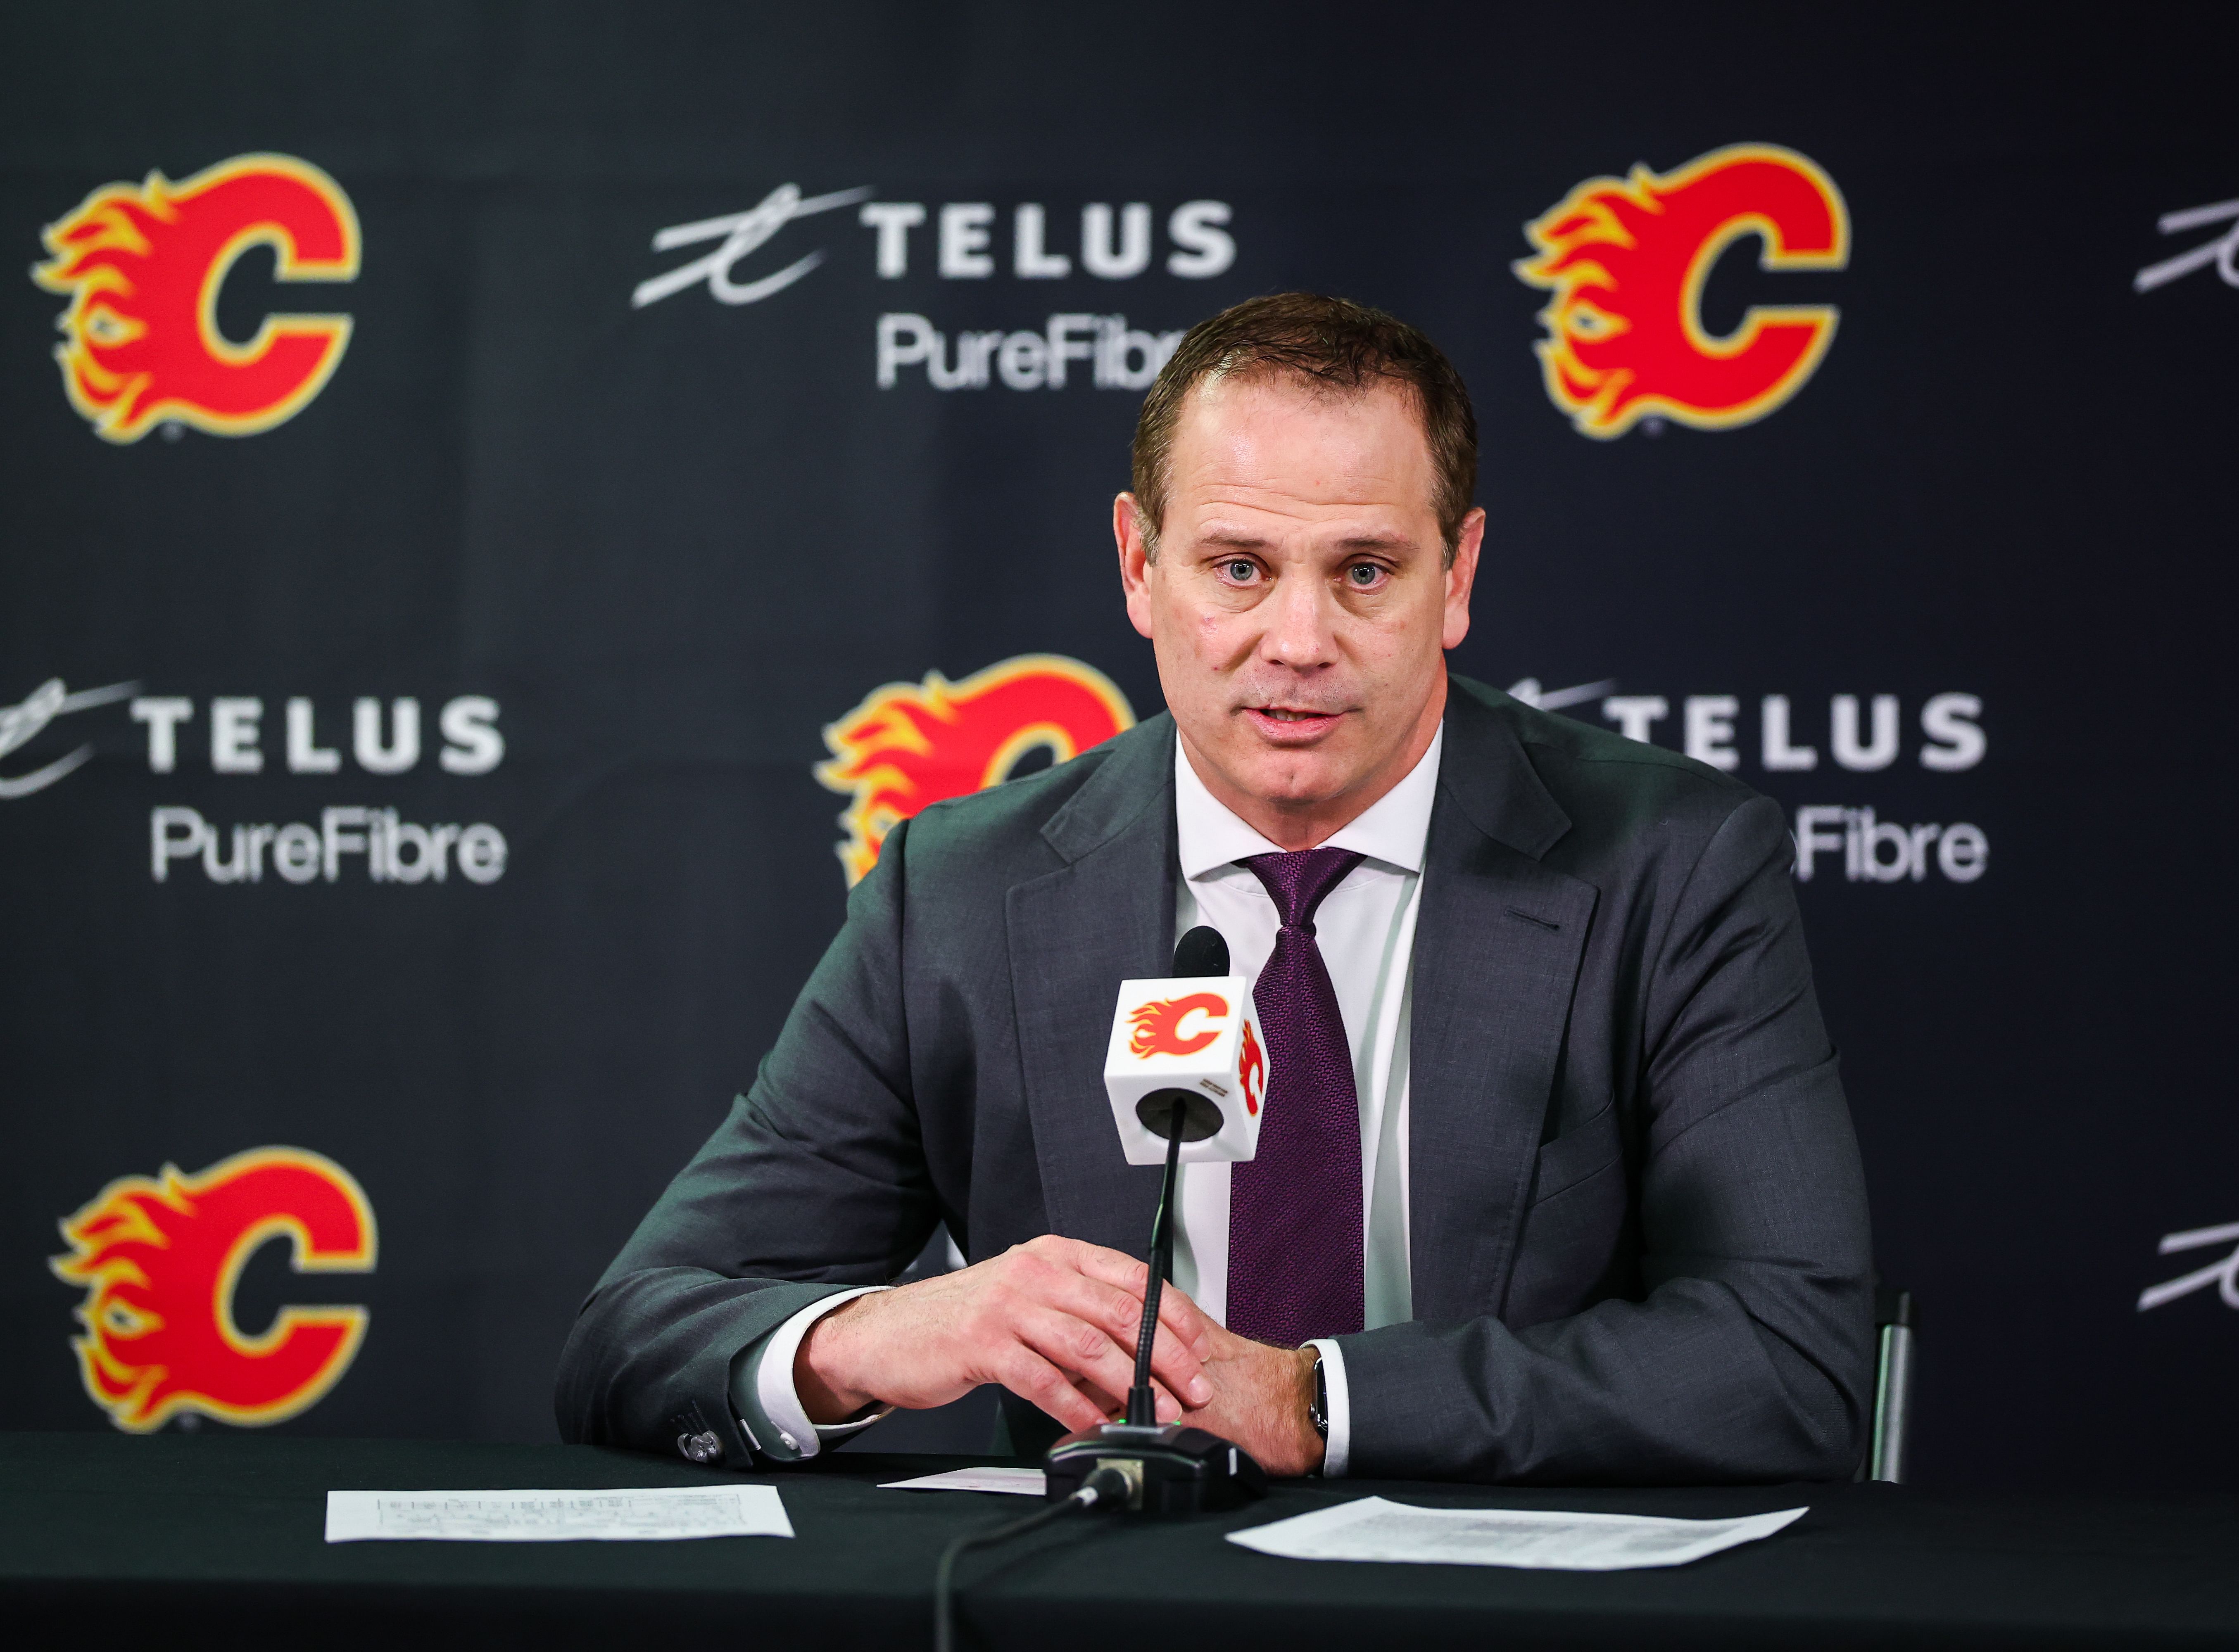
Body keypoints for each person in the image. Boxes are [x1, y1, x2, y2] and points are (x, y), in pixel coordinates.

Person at [555, 293, 1873, 1485]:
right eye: (1239, 568)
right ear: (1141, 567)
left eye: (1365, 571)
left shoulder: (1672, 864)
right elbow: (636, 1335)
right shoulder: (957, 890)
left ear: (1457, 579)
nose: (1297, 644)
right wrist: (864, 1336)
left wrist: (1315, 1400)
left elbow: (1788, 1360)